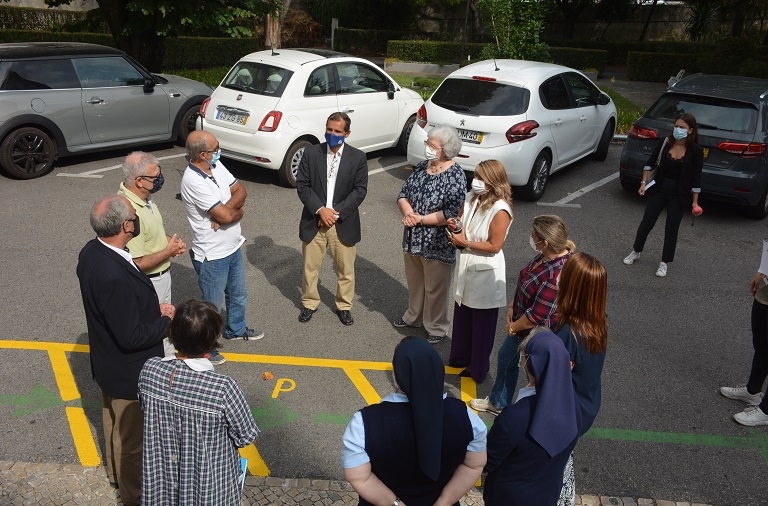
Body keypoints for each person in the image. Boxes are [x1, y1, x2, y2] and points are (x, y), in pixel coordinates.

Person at [76, 194, 174, 505]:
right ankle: (135, 496)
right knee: (132, 440)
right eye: (133, 214)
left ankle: (114, 475)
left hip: (107, 364)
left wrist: (146, 309)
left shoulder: (92, 251)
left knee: (111, 423)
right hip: (130, 371)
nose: (137, 216)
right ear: (126, 225)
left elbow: (113, 312)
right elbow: (130, 336)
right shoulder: (113, 274)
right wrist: (163, 320)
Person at [138, 299, 261, 505]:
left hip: (162, 488)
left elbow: (146, 408)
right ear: (212, 341)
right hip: (208, 490)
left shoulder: (150, 371)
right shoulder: (222, 388)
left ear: (173, 333)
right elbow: (247, 437)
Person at [342, 337, 487, 506]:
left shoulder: (362, 423)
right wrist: (444, 501)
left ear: (397, 376)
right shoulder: (468, 418)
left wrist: (396, 503)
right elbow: (474, 466)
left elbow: (358, 477)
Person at [470, 214, 574, 414]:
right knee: (506, 360)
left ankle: (538, 413)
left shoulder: (556, 275)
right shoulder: (546, 255)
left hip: (535, 334)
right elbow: (526, 282)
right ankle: (499, 403)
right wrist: (512, 306)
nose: (530, 237)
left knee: (534, 376)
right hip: (521, 326)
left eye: (533, 235)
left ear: (545, 242)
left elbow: (537, 316)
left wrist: (512, 327)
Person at [181, 130, 263, 365]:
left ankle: (235, 329)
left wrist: (227, 212)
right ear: (203, 154)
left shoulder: (216, 167)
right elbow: (228, 214)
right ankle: (206, 348)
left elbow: (241, 191)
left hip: (232, 246)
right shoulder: (192, 180)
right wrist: (236, 213)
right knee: (211, 307)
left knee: (238, 294)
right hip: (212, 254)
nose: (219, 151)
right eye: (216, 148)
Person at [482, 330, 581, 506]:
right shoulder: (573, 404)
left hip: (509, 498)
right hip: (547, 495)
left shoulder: (515, 417)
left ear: (531, 364)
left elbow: (487, 461)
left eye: (524, 355)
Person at [395, 125, 467, 344]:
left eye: (432, 145)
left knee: (435, 286)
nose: (427, 147)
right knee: (415, 281)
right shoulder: (422, 167)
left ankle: (436, 326)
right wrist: (408, 212)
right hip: (413, 238)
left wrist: (421, 219)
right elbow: (403, 193)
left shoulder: (455, 175)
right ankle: (413, 316)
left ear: (445, 150)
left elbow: (451, 212)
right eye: (428, 143)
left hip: (437, 242)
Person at [296, 111, 369, 326]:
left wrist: (333, 214)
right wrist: (320, 210)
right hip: (315, 220)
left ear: (347, 133)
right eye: (329, 129)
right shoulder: (311, 153)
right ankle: (309, 303)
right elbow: (303, 186)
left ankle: (344, 306)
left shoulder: (358, 157)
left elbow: (359, 191)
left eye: (337, 131)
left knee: (345, 270)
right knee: (310, 267)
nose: (332, 134)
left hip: (342, 222)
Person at [446, 160, 513, 382]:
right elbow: (463, 223)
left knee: (482, 323)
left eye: (481, 178)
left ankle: (478, 368)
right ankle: (460, 356)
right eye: (476, 175)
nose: (476, 181)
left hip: (485, 271)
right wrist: (454, 225)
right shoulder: (470, 198)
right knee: (463, 312)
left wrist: (465, 243)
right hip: (467, 264)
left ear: (494, 182)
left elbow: (495, 245)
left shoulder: (500, 209)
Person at [552, 252, 609, 506]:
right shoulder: (597, 322)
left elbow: (553, 382)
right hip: (585, 407)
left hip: (563, 417)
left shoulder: (567, 333)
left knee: (557, 471)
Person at [118, 151, 186, 356]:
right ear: (139, 181)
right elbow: (136, 263)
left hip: (161, 277)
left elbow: (151, 233)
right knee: (155, 330)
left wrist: (168, 242)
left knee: (166, 327)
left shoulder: (145, 199)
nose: (160, 180)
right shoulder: (130, 212)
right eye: (155, 177)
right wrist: (168, 251)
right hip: (149, 283)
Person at [623, 113, 704, 278]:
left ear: (690, 131)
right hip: (659, 189)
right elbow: (650, 164)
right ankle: (636, 251)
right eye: (676, 126)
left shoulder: (696, 151)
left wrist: (695, 203)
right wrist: (643, 184)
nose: (677, 130)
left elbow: (696, 179)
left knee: (671, 229)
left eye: (682, 127)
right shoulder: (665, 143)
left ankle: (664, 263)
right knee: (646, 223)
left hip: (679, 195)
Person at [720, 250, 768, 426]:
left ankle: (766, 412)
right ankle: (752, 391)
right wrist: (761, 270)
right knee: (761, 344)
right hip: (765, 289)